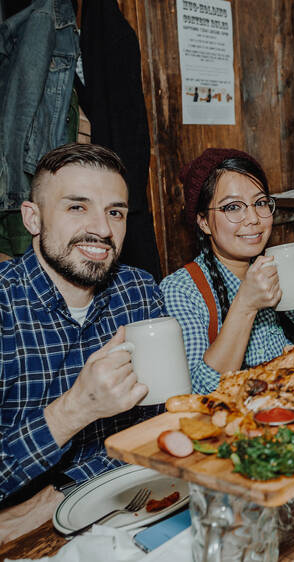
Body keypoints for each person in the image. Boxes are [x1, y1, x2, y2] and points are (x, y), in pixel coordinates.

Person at [0, 143, 166, 540]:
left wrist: (60, 492)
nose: (103, 229)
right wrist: (75, 409)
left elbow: (160, 423)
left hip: (138, 505)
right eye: (77, 207)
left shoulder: (139, 290)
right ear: (33, 218)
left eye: (115, 212)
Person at [160, 149, 294, 394]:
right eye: (233, 207)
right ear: (203, 222)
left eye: (261, 203)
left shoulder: (278, 269)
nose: (253, 218)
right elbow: (202, 391)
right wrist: (246, 304)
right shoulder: (181, 289)